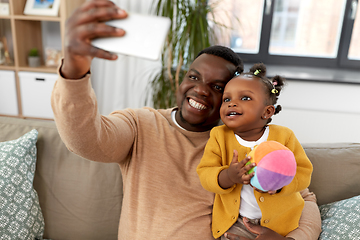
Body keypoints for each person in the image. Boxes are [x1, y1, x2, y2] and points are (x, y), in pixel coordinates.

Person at [51, 0, 322, 239]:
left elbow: (305, 198)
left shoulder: (240, 141)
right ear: (182, 80)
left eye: (218, 88)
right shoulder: (141, 124)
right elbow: (85, 140)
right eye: (194, 77)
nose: (201, 89)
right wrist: (74, 69)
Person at [196, 63, 313, 239]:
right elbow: (205, 173)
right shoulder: (219, 136)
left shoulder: (284, 136)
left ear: (267, 111)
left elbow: (303, 172)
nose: (232, 103)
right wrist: (228, 176)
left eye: (245, 98)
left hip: (282, 223)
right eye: (227, 99)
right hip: (237, 222)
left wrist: (279, 186)